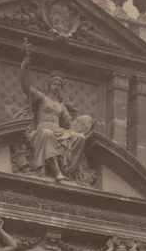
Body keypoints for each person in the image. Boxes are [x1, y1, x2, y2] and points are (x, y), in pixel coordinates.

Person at [19, 39, 92, 182]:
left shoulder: (62, 106)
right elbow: (25, 87)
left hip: (59, 132)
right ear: (49, 85)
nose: (56, 86)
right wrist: (23, 66)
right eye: (54, 83)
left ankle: (68, 170)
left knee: (80, 138)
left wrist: (79, 130)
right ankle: (56, 171)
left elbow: (70, 125)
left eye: (59, 84)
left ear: (61, 87)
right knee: (48, 133)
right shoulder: (42, 98)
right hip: (42, 131)